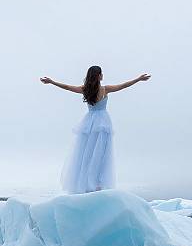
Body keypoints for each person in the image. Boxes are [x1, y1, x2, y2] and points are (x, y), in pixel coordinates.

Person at [40, 66, 151, 194]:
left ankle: (88, 182)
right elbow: (124, 85)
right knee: (101, 154)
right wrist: (138, 79)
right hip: (103, 123)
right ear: (98, 76)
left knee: (86, 153)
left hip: (89, 123)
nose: (103, 75)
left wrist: (52, 82)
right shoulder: (105, 89)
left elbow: (67, 87)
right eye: (101, 73)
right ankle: (97, 183)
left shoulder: (85, 89)